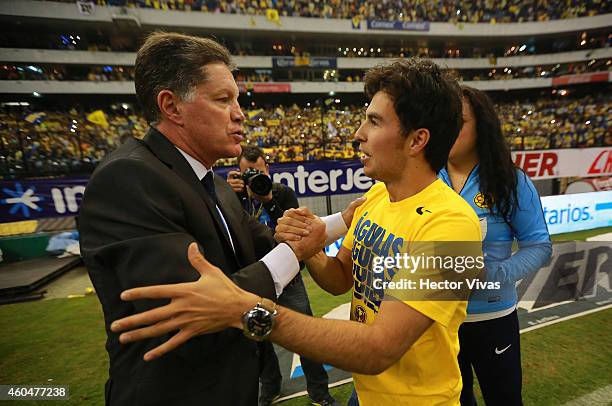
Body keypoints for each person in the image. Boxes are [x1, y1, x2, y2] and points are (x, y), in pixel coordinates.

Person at [110, 58, 484, 405]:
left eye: (374, 122)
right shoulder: (375, 198)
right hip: (365, 394)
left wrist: (246, 310)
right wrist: (311, 246)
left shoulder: (454, 226)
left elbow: (379, 349)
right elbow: (339, 280)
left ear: (417, 140)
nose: (358, 134)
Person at [78, 32, 333, 406]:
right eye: (222, 99)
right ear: (171, 106)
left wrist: (349, 216)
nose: (239, 113)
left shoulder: (210, 181)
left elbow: (269, 241)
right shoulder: (128, 179)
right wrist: (297, 253)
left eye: (237, 99)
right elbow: (200, 309)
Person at [438, 86, 552, 405]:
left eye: (457, 120)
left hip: (493, 319)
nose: (446, 128)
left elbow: (539, 246)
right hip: (437, 320)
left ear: (482, 125)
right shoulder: (425, 178)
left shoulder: (510, 181)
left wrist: (493, 274)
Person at [227, 145, 338, 406]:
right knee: (259, 340)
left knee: (307, 340)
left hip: (289, 278)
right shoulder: (231, 199)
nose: (255, 177)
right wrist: (237, 198)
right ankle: (271, 387)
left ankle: (320, 393)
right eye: (248, 173)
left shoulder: (282, 193)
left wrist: (268, 201)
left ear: (268, 168)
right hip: (253, 277)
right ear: (238, 174)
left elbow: (295, 230)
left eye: (260, 171)